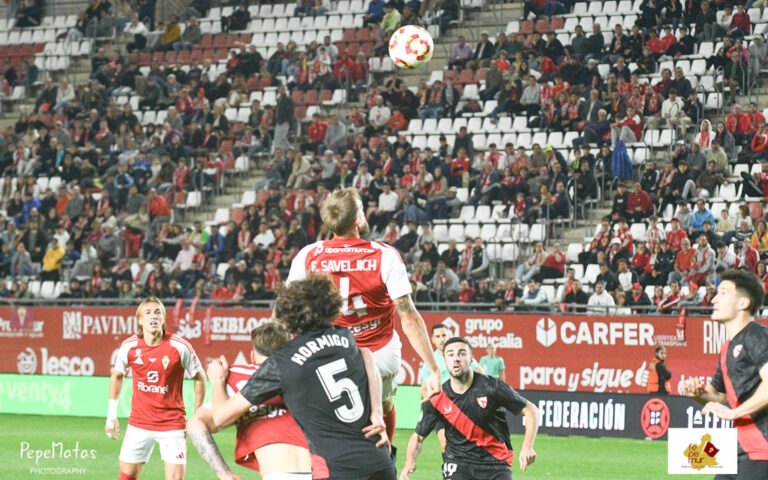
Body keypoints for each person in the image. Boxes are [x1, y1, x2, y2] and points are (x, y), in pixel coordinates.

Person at [286, 187, 441, 443]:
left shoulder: (309, 255)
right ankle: (386, 455)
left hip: (329, 351)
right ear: (357, 220)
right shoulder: (385, 255)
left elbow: (287, 310)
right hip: (380, 351)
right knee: (385, 403)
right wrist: (433, 368)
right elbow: (408, 316)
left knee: (331, 415)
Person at [209, 276, 394, 480]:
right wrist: (377, 411)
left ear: (288, 315)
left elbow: (221, 417)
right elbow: (367, 355)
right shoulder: (344, 336)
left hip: (336, 469)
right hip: (379, 461)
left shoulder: (282, 362)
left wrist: (217, 381)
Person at [401, 337, 538, 480]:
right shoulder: (437, 398)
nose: (456, 359)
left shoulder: (492, 387)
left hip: (495, 464)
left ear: (472, 360)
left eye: (461, 353)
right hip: (457, 463)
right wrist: (409, 461)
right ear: (445, 362)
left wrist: (528, 446)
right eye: (450, 355)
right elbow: (418, 437)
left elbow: (531, 410)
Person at [187, 322, 311, 480]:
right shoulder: (311, 374)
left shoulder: (240, 379)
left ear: (252, 356)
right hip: (328, 471)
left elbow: (195, 424)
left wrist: (224, 473)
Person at [680, 269, 768, 478]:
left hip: (762, 449)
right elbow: (719, 395)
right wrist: (698, 393)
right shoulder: (727, 347)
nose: (714, 299)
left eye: (723, 293)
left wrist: (734, 413)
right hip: (739, 450)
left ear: (743, 303)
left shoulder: (757, 335)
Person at [106, 297, 207, 480]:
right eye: (148, 312)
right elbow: (117, 375)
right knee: (126, 475)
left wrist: (197, 414)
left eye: (157, 312)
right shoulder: (129, 347)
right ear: (140, 320)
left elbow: (200, 377)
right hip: (139, 423)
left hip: (172, 424)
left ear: (163, 319)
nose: (153, 316)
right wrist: (111, 414)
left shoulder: (180, 347)